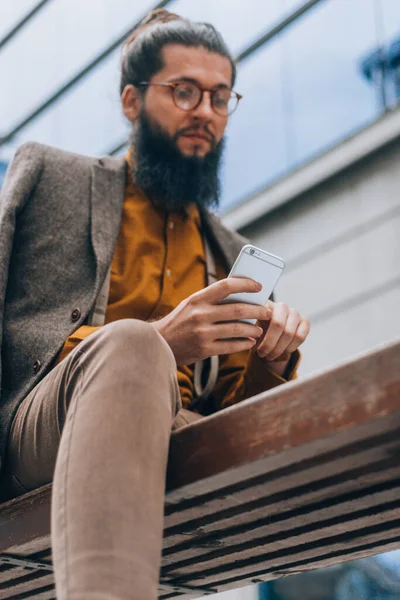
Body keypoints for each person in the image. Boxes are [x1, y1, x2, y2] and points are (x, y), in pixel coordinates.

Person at [0, 9, 310, 600]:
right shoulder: (52, 176)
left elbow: (233, 412)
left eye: (221, 98)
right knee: (134, 342)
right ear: (131, 102)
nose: (206, 113)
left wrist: (276, 358)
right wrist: (164, 340)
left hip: (179, 433)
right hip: (40, 424)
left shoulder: (232, 251)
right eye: (185, 91)